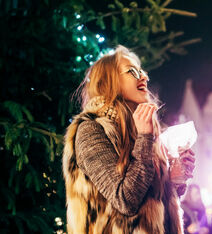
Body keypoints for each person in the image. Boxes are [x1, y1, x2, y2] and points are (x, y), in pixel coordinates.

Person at [62, 45, 195, 233]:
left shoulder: (142, 131)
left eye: (143, 72)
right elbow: (125, 201)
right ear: (108, 81)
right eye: (132, 71)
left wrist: (174, 181)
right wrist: (145, 137)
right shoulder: (91, 129)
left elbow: (151, 208)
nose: (144, 77)